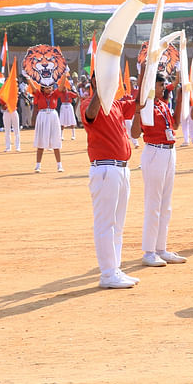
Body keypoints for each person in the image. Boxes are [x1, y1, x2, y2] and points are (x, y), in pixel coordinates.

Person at [81, 72, 138, 289]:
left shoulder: (116, 105)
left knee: (118, 224)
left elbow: (140, 102)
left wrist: (146, 70)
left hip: (122, 169)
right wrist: (100, 89)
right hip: (105, 168)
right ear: (95, 82)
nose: (113, 84)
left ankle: (115, 268)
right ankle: (107, 273)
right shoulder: (88, 102)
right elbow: (90, 113)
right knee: (106, 223)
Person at [131, 71, 187, 268]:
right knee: (153, 203)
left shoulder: (163, 104)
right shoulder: (144, 105)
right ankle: (149, 251)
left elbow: (176, 125)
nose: (164, 87)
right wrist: (138, 110)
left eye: (164, 84)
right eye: (160, 84)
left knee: (166, 204)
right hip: (154, 151)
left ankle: (161, 248)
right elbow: (135, 133)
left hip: (169, 151)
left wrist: (180, 97)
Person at [0, 87, 21, 152]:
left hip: (14, 111)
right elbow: (2, 106)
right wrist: (5, 105)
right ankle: (8, 147)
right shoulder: (3, 95)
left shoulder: (14, 94)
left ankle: (17, 146)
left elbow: (16, 101)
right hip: (6, 112)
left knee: (16, 129)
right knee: (7, 130)